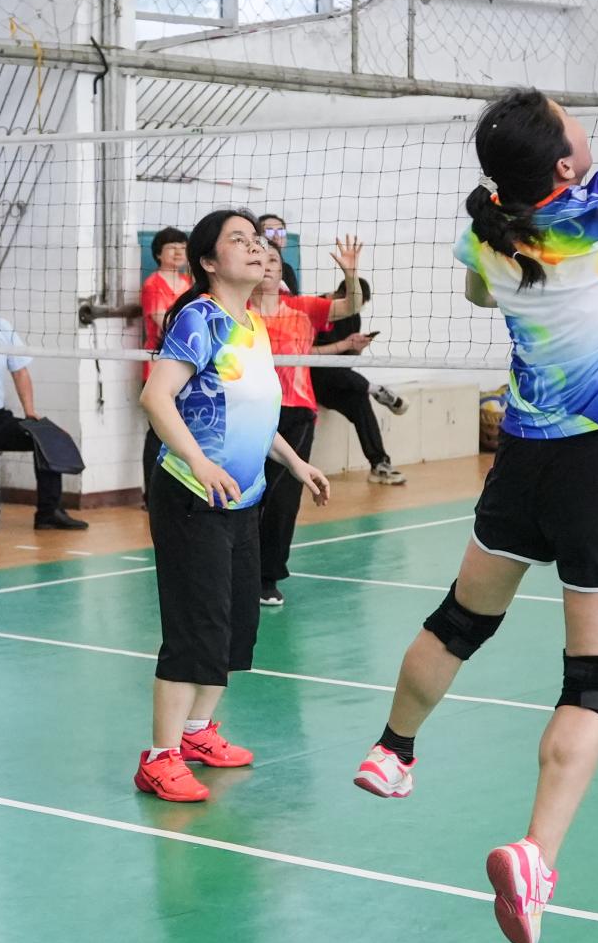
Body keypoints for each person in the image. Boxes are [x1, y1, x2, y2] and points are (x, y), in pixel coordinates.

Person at [352, 0, 598, 943]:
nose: (586, 128)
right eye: (574, 123)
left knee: (460, 621)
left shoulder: (490, 239)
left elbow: (484, 290)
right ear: (565, 163)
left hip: (521, 459)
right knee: (594, 680)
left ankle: (393, 748)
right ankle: (535, 854)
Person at [137, 209, 330, 802]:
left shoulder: (252, 324)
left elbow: (255, 414)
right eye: (238, 240)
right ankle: (159, 757)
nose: (256, 248)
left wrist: (294, 463)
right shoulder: (200, 318)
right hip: (192, 493)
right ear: (209, 262)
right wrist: (199, 461)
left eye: (258, 239)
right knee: (196, 625)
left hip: (243, 496)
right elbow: (156, 397)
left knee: (235, 622)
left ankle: (197, 732)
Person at [252, 236, 366, 605]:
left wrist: (350, 275)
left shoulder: (302, 309)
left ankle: (267, 576)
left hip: (295, 412)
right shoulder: (236, 311)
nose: (267, 265)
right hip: (248, 412)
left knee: (282, 498)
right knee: (244, 495)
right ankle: (238, 568)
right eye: (260, 259)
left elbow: (351, 305)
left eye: (273, 260)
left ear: (281, 270)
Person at [0, 282, 88, 535]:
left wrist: (29, 411)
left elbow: (20, 372)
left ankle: (49, 513)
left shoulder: (1, 328)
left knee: (46, 438)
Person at [310, 285, 406, 485]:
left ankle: (379, 464)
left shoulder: (353, 316)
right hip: (312, 380)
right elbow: (307, 353)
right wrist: (345, 345)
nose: (354, 310)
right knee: (327, 368)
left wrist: (357, 349)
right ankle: (375, 389)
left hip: (338, 381)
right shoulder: (315, 309)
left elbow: (347, 361)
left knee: (359, 400)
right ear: (340, 296)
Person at [140, 227, 190, 501]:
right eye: (172, 247)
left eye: (182, 247)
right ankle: (152, 494)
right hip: (158, 364)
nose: (179, 252)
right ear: (159, 253)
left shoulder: (188, 284)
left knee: (182, 428)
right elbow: (165, 323)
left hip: (186, 366)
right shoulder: (153, 284)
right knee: (159, 430)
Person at [258, 212, 299, 294]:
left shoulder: (287, 270)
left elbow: (294, 300)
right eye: (269, 232)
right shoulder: (253, 267)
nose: (276, 237)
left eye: (281, 232)